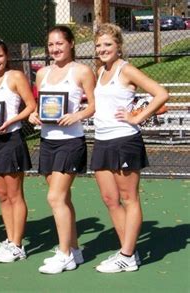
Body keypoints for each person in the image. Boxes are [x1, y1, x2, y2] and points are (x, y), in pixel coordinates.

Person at [91, 23, 168, 273]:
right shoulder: (100, 70)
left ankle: (126, 254)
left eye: (108, 44)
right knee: (109, 199)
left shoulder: (127, 70)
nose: (103, 49)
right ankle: (129, 252)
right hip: (102, 141)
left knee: (128, 198)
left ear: (119, 47)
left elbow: (160, 94)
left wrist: (137, 117)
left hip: (125, 140)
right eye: (99, 45)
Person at [28, 25, 96, 274]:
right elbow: (40, 105)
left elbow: (93, 105)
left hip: (71, 142)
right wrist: (35, 115)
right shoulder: (42, 73)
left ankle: (64, 253)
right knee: (63, 198)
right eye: (51, 44)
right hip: (47, 141)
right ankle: (75, 250)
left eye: (60, 43)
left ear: (71, 44)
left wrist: (76, 115)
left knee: (55, 197)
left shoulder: (82, 71)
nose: (55, 48)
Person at [0, 39, 35, 263]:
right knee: (2, 196)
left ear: (6, 56)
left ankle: (18, 245)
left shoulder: (16, 77)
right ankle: (10, 239)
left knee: (14, 195)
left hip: (11, 140)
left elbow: (31, 105)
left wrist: (12, 120)